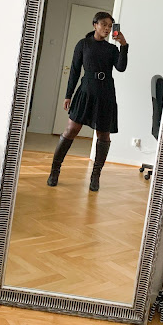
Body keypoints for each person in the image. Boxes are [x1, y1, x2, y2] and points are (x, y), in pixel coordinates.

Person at [47, 11, 128, 191]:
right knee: (71, 130)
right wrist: (68, 95)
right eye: (104, 24)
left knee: (103, 136)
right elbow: (75, 71)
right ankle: (54, 170)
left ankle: (95, 176)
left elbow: (121, 68)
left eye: (110, 26)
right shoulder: (83, 44)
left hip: (105, 95)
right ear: (95, 25)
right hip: (85, 92)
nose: (107, 28)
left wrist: (123, 45)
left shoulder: (112, 49)